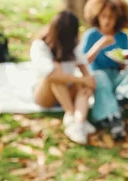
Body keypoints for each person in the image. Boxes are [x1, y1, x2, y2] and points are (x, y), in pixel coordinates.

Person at [81, 0, 128, 140]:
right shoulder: (91, 35)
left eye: (111, 18)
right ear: (97, 16)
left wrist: (123, 61)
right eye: (103, 16)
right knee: (100, 77)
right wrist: (99, 45)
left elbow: (124, 63)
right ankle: (113, 118)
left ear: (118, 19)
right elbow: (82, 62)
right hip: (98, 77)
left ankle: (124, 98)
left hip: (116, 77)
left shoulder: (122, 37)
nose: (107, 21)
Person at [31, 11, 96, 145]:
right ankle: (72, 114)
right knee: (56, 72)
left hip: (66, 92)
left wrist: (88, 84)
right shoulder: (40, 45)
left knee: (81, 84)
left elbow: (85, 69)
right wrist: (82, 80)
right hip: (45, 95)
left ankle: (79, 122)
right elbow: (51, 75)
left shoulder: (73, 45)